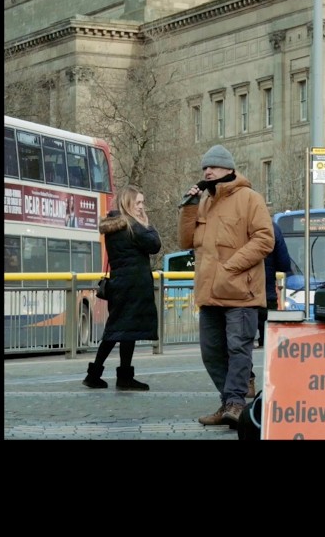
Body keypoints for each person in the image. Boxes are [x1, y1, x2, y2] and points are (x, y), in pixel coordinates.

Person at [179, 144, 276, 426]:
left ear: (229, 169)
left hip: (241, 293)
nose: (208, 171)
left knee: (238, 349)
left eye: (214, 167)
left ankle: (236, 403)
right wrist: (189, 207)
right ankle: (228, 403)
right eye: (205, 168)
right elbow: (185, 242)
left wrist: (230, 267)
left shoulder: (250, 198)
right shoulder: (204, 202)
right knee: (211, 353)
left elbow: (264, 240)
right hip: (209, 293)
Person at [84, 186, 161, 391]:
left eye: (142, 202)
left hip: (120, 285)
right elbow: (154, 245)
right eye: (138, 202)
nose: (141, 207)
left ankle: (98, 374)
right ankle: (115, 377)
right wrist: (147, 224)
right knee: (120, 330)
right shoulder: (132, 226)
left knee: (122, 330)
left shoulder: (114, 226)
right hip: (133, 286)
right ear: (127, 203)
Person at [249, 222, 293, 398]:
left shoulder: (232, 221)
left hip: (241, 296)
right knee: (272, 343)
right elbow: (284, 263)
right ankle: (277, 382)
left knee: (241, 345)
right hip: (267, 295)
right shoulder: (272, 227)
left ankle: (246, 382)